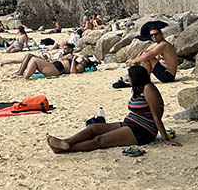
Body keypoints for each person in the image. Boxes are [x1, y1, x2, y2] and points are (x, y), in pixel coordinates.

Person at [46, 65, 181, 153]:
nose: (127, 78)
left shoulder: (148, 88)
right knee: (93, 128)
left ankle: (65, 149)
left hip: (143, 130)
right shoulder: (138, 89)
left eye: (129, 76)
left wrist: (165, 138)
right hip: (130, 123)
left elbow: (156, 115)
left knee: (100, 140)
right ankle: (65, 142)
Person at [12, 43, 77, 78]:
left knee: (33, 58)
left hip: (54, 67)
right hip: (51, 64)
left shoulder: (70, 55)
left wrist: (51, 60)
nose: (63, 50)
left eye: (65, 49)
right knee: (28, 55)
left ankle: (20, 73)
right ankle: (20, 72)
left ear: (70, 50)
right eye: (63, 49)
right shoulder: (64, 55)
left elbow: (59, 60)